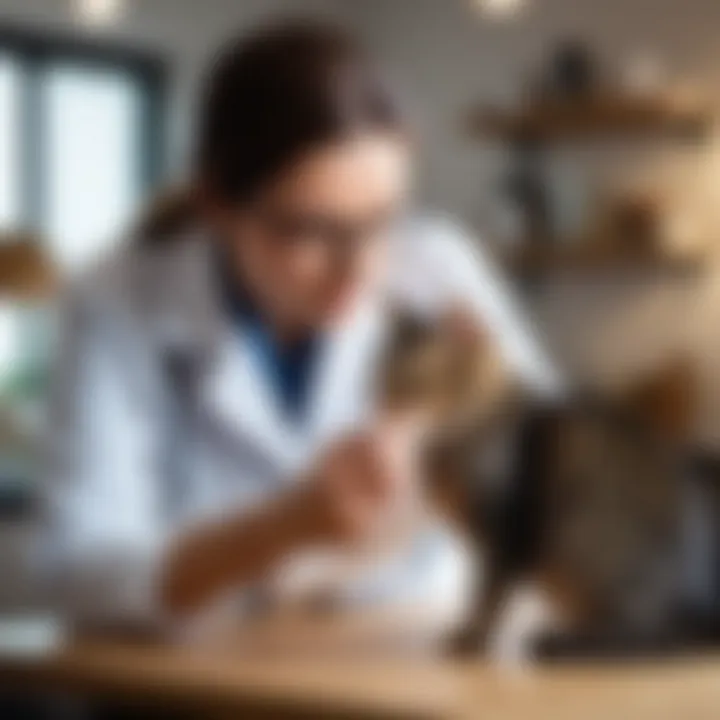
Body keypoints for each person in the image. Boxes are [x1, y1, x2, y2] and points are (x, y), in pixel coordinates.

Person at [38, 20, 560, 635]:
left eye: (383, 218)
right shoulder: (119, 300)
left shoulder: (438, 265)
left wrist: (462, 424)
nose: (360, 266)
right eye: (312, 231)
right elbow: (78, 571)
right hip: (201, 675)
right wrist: (280, 529)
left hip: (401, 645)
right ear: (216, 204)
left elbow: (559, 471)